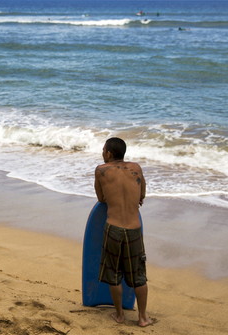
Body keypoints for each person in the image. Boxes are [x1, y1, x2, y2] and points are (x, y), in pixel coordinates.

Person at [94, 137, 152, 327]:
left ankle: (119, 315)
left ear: (109, 153)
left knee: (114, 273)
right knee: (139, 276)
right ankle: (143, 318)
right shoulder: (136, 167)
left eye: (103, 150)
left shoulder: (101, 171)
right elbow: (142, 195)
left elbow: (101, 198)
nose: (102, 153)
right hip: (135, 228)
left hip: (114, 228)